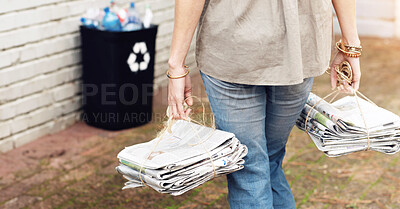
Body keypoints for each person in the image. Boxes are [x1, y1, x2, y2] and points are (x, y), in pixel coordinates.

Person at [166, 0, 361, 208]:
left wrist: (176, 64)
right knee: (270, 158)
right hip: (301, 43)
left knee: (249, 167)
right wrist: (351, 47)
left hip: (233, 42)